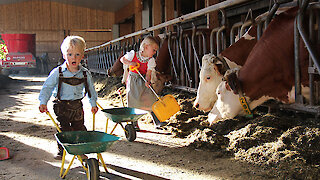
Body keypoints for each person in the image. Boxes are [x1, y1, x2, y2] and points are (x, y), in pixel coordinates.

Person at [38, 36, 98, 160]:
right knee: (64, 130)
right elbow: (47, 87)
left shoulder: (85, 73)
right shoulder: (58, 72)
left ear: (82, 55)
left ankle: (80, 150)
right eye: (70, 54)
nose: (73, 58)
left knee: (80, 128)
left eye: (77, 54)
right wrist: (43, 102)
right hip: (61, 106)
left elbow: (91, 90)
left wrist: (93, 103)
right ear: (64, 55)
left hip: (77, 105)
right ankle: (63, 150)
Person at [120, 35, 165, 128]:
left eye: (156, 50)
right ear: (146, 47)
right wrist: (130, 63)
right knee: (134, 100)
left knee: (150, 98)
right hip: (133, 80)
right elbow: (122, 59)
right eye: (154, 50)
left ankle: (157, 120)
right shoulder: (133, 54)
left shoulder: (151, 60)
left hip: (143, 79)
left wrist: (148, 81)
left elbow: (148, 73)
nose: (155, 52)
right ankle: (134, 123)